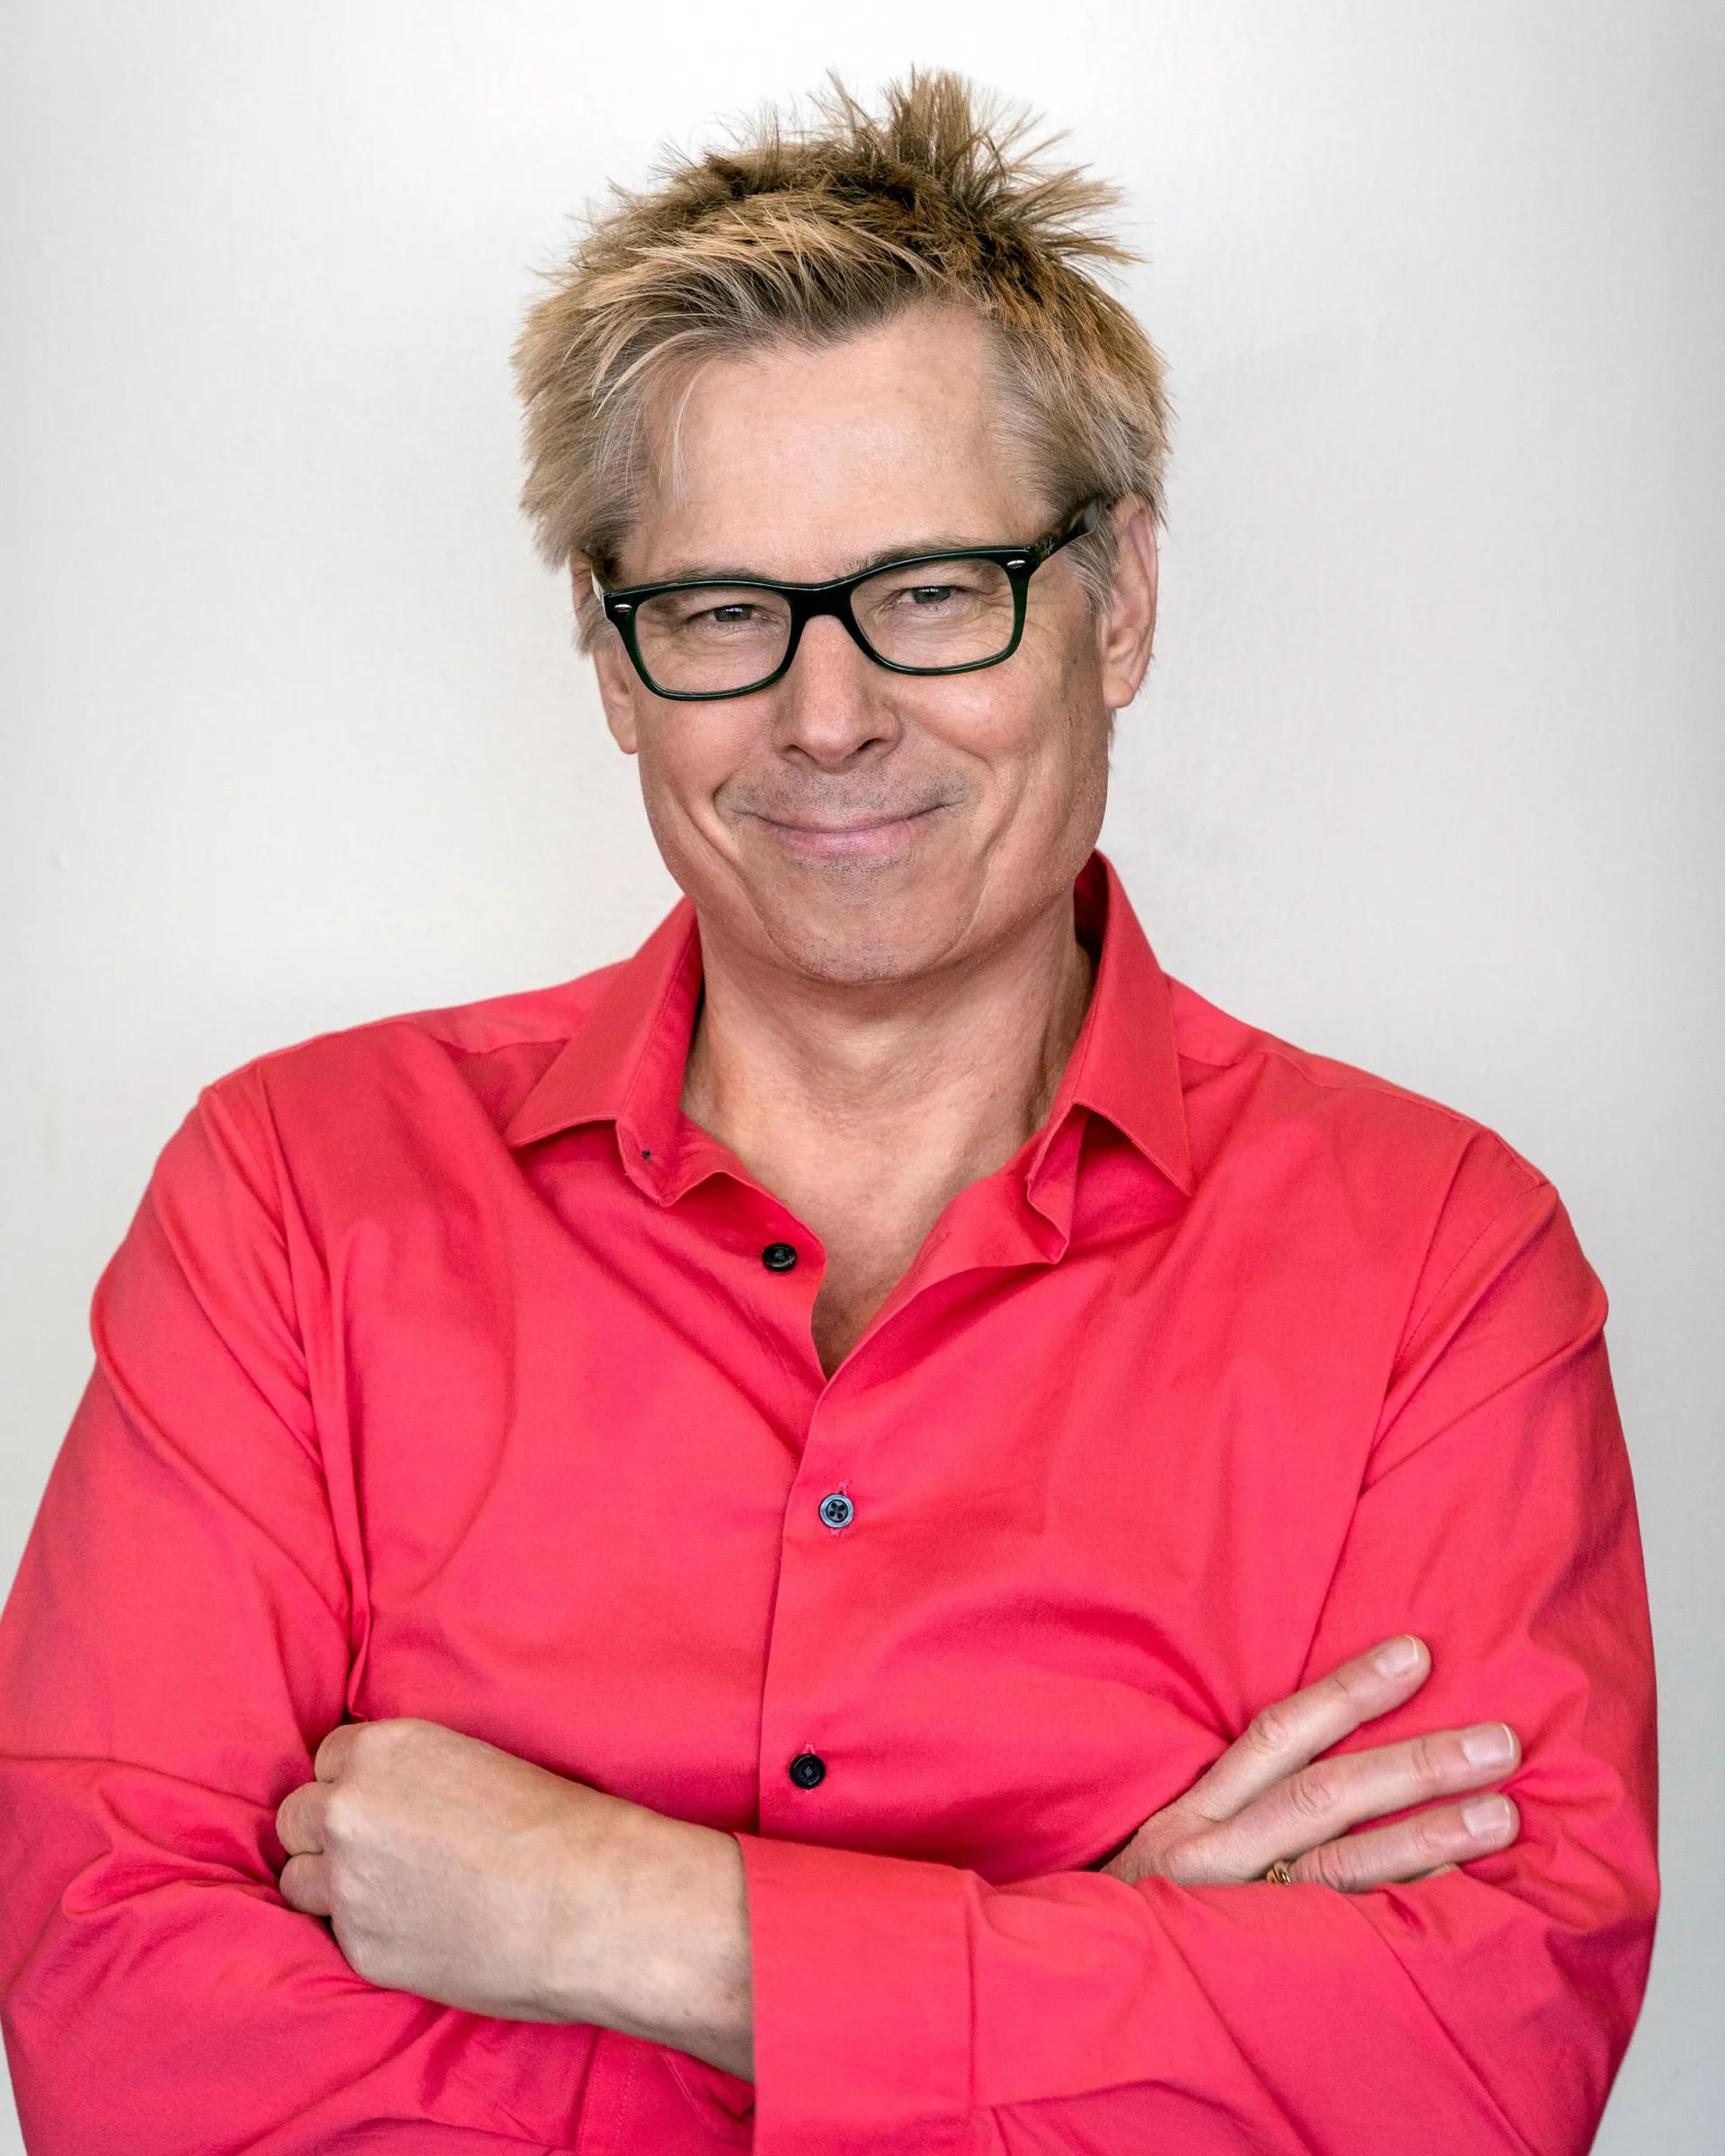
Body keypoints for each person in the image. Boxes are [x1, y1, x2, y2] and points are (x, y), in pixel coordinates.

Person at [0, 72, 1655, 2155]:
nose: (830, 714)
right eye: (722, 612)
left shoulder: (1437, 1263)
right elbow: (129, 2045)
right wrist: (1094, 1973)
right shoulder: (290, 1200)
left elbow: (1474, 2070)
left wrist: (651, 1931)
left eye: (936, 588)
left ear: (1121, 602)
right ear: (614, 664)